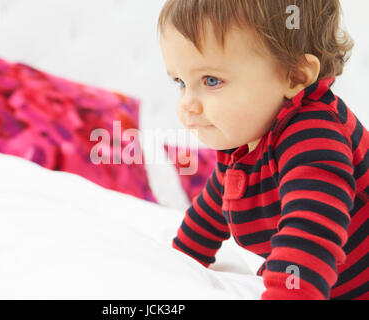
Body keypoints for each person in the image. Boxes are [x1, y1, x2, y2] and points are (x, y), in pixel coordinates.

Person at [158, 0, 368, 300]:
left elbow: (310, 229)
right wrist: (182, 257)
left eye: (211, 80)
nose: (187, 104)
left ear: (294, 76)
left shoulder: (315, 136)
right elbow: (218, 200)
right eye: (180, 82)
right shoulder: (248, 135)